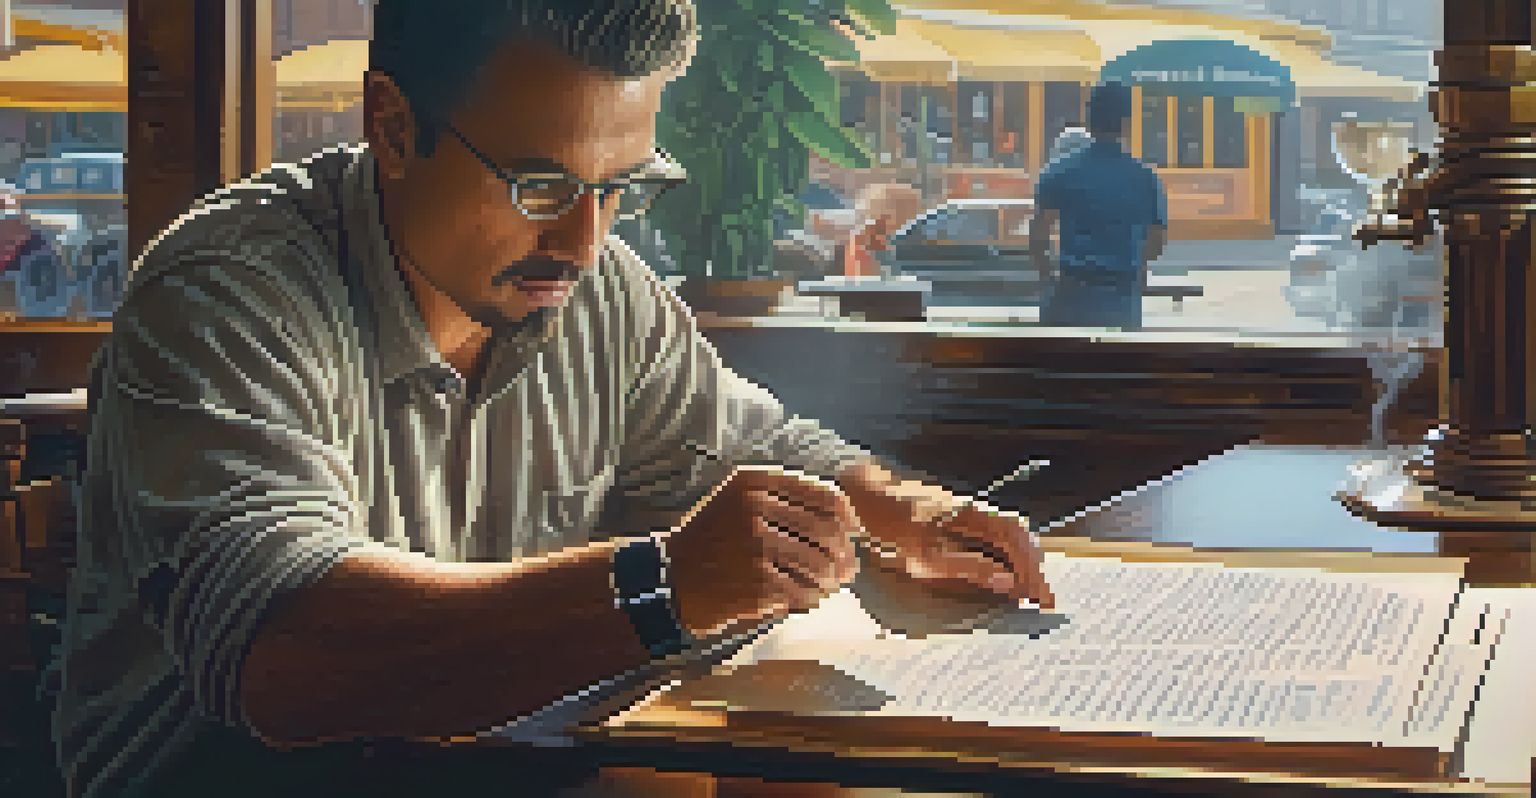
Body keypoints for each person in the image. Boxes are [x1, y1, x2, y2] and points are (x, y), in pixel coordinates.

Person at [55, 2, 1055, 797]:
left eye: (621, 186)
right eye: (539, 186)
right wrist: (661, 587)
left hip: (490, 769)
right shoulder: (229, 293)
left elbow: (753, 442)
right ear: (394, 127)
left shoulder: (595, 285)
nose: (582, 243)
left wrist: (906, 510)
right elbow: (286, 655)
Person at [1030, 82, 1168, 330]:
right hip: (1121, 299)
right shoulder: (1145, 179)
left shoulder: (1059, 172)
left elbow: (1038, 237)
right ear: (1126, 123)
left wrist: (1048, 279)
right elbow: (1157, 242)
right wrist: (1135, 265)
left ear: (1089, 121)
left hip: (1071, 296)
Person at [841, 182, 924, 278]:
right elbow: (864, 280)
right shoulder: (865, 239)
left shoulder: (907, 238)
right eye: (911, 210)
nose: (916, 216)